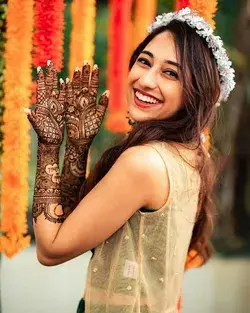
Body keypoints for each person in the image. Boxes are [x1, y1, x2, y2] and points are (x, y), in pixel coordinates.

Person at [24, 7, 235, 313]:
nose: (146, 80)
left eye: (170, 73)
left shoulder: (144, 163)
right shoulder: (192, 153)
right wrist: (78, 146)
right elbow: (75, 223)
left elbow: (51, 250)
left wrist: (49, 146)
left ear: (195, 92)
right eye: (144, 62)